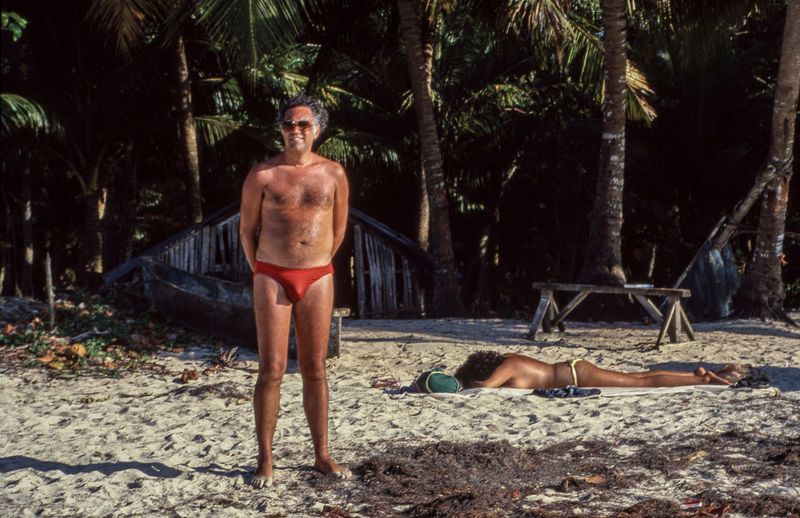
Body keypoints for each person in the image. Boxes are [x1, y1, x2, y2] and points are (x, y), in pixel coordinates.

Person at [239, 95, 350, 488]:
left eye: (303, 124)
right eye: (289, 124)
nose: (295, 130)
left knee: (315, 368)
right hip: (271, 274)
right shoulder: (263, 174)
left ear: (317, 129)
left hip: (317, 275)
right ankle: (265, 460)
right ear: (281, 129)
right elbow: (246, 230)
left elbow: (338, 229)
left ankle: (322, 455)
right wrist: (261, 270)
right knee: (271, 368)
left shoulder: (334, 173)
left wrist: (316, 263)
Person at [454, 351, 744, 390]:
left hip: (576, 376)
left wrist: (459, 385)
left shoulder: (507, 366)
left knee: (642, 383)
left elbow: (485, 387)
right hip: (573, 370)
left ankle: (703, 380)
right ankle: (699, 376)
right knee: (639, 377)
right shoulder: (508, 359)